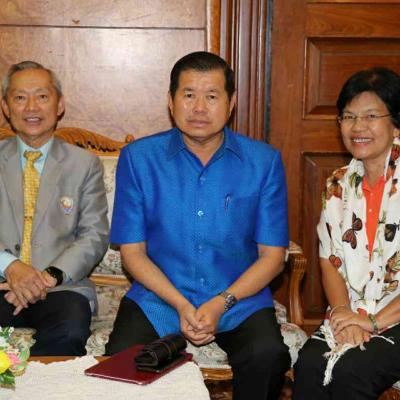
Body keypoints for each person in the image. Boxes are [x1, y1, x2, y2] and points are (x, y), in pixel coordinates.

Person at [106, 51, 290, 399]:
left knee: (267, 356)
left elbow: (273, 257)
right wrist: (180, 303)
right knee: (122, 360)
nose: (199, 108)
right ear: (171, 101)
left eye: (212, 96)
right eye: (189, 95)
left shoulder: (263, 162)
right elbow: (133, 253)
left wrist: (221, 302)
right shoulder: (139, 159)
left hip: (238, 300)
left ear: (231, 103)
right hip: (160, 298)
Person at [293, 67, 400, 399]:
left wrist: (373, 322)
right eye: (349, 117)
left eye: (371, 116)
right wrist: (342, 313)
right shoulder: (339, 184)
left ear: (396, 124)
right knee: (310, 363)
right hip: (355, 309)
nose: (358, 127)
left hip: (395, 316)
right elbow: (329, 259)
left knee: (353, 370)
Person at [0, 61, 109, 356]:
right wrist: (11, 267)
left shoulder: (84, 164)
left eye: (42, 96)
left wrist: (46, 277)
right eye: (20, 98)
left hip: (61, 287)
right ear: (6, 107)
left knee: (70, 329)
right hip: (2, 283)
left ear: (59, 105)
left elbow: (94, 234)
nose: (31, 107)